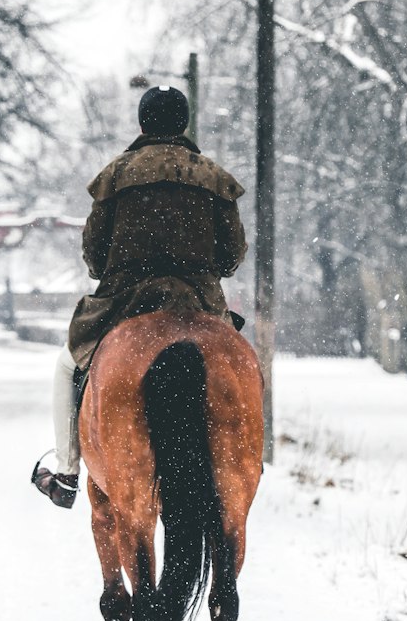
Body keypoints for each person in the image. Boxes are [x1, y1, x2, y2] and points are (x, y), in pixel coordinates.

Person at [32, 84, 248, 508]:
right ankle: (245, 460)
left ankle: (67, 470)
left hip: (126, 299)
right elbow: (232, 255)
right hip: (199, 301)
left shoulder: (114, 176)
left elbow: (94, 256)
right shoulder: (216, 179)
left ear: (142, 123)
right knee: (241, 369)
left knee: (65, 366)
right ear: (184, 122)